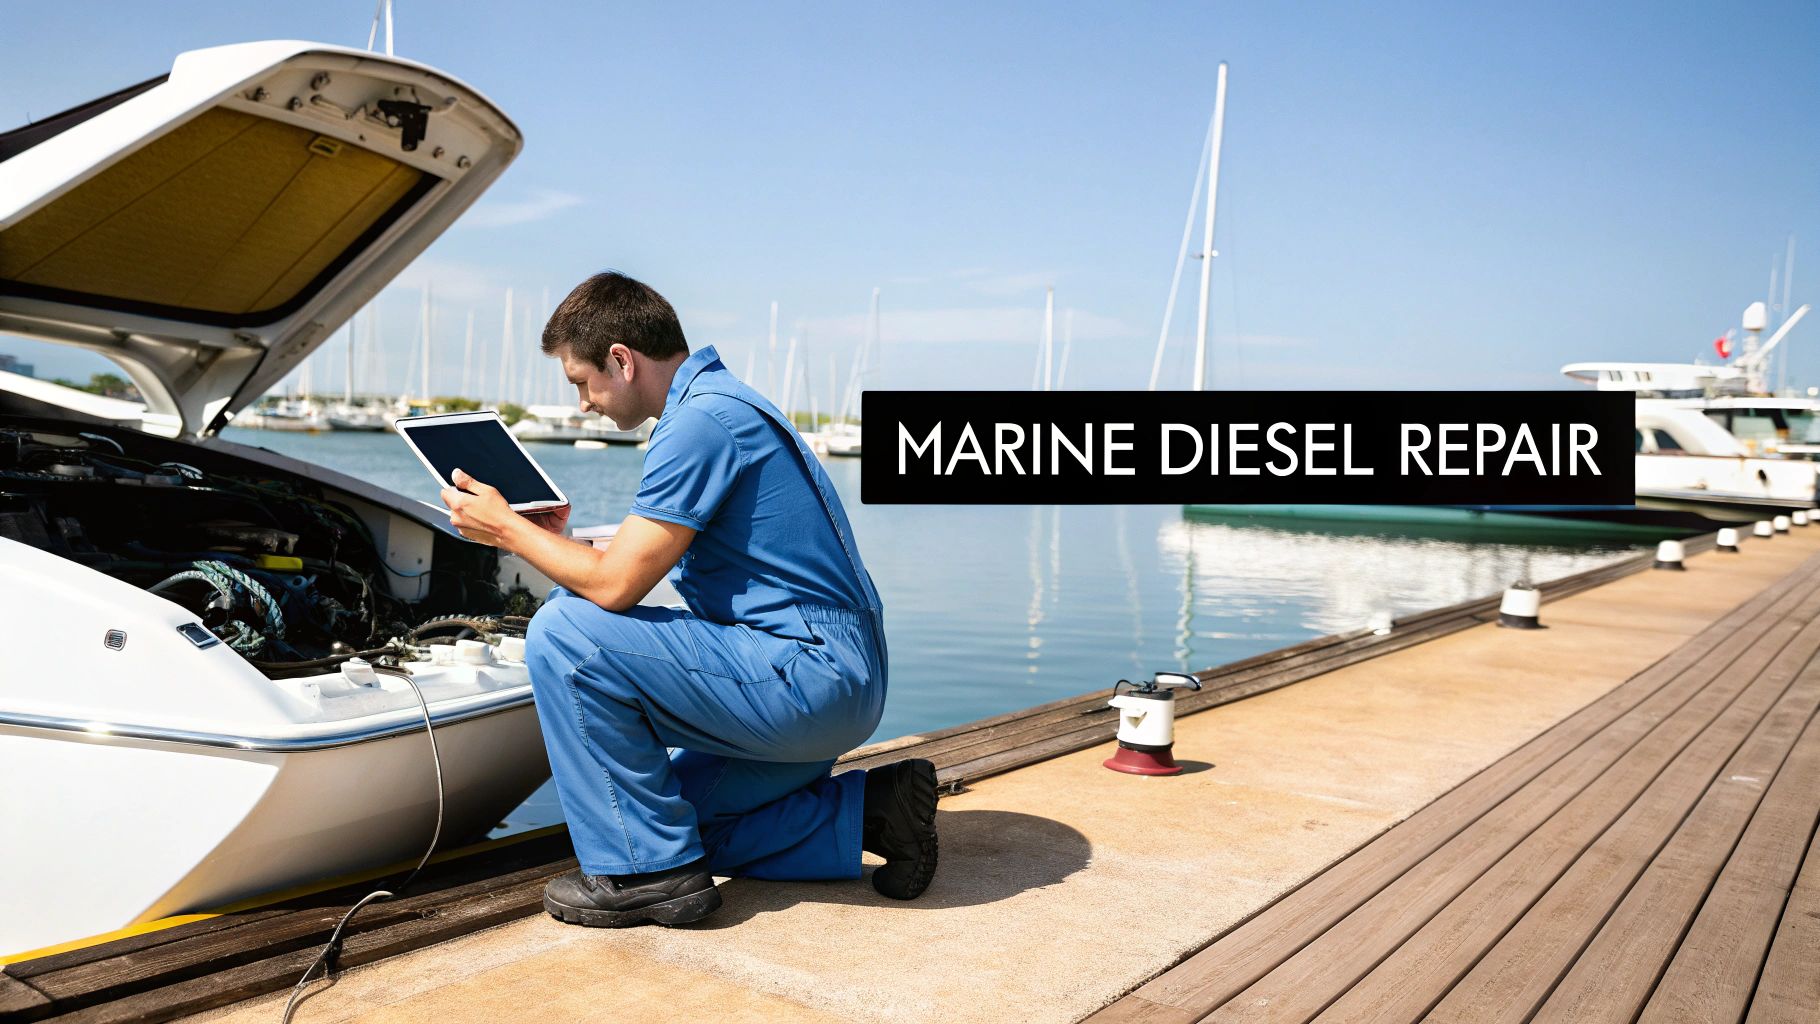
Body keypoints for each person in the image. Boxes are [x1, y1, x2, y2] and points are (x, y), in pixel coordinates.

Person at [440, 271, 936, 927]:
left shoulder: (700, 423)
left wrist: (505, 529)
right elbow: (633, 565)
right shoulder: (723, 404)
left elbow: (615, 587)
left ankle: (652, 878)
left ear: (621, 359)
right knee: (676, 819)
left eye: (580, 382)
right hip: (832, 682)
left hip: (807, 680)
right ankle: (877, 810)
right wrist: (551, 542)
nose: (583, 403)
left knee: (563, 633)